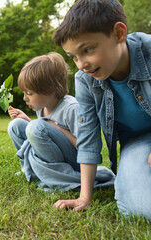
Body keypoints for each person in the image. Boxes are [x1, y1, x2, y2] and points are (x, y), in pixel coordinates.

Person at [52, 0, 151, 220]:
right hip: (137, 142)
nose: (81, 64)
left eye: (87, 50)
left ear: (118, 33)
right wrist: (84, 197)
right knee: (140, 209)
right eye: (74, 57)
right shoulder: (85, 80)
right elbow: (88, 135)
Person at [7, 52, 115, 191]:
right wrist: (27, 120)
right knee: (16, 125)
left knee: (36, 126)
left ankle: (58, 178)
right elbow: (44, 132)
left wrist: (57, 128)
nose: (24, 99)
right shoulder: (42, 107)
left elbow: (84, 145)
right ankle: (32, 172)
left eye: (29, 93)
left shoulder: (71, 108)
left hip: (73, 162)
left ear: (50, 90)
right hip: (54, 154)